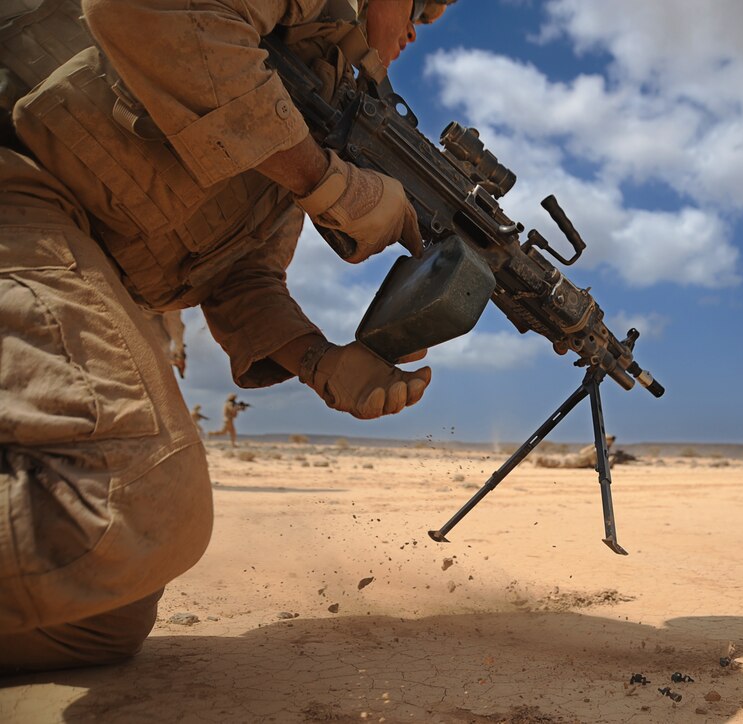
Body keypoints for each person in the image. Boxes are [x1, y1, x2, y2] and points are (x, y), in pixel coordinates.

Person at [0, 0, 455, 673]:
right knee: (126, 504)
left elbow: (241, 276)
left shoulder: (317, 96)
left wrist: (322, 362)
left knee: (96, 619)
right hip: (21, 178)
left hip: (69, 236)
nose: (424, 26)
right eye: (422, 5)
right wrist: (328, 186)